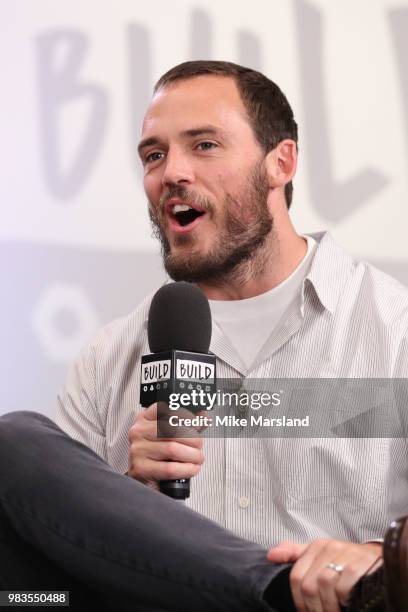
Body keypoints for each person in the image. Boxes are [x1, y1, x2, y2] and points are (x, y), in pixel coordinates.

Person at [1, 60, 408, 611]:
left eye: (205, 145)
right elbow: (42, 581)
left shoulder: (393, 327)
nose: (171, 172)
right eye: (154, 155)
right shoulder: (109, 358)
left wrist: (375, 560)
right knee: (16, 476)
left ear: (280, 162)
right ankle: (269, 591)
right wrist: (126, 501)